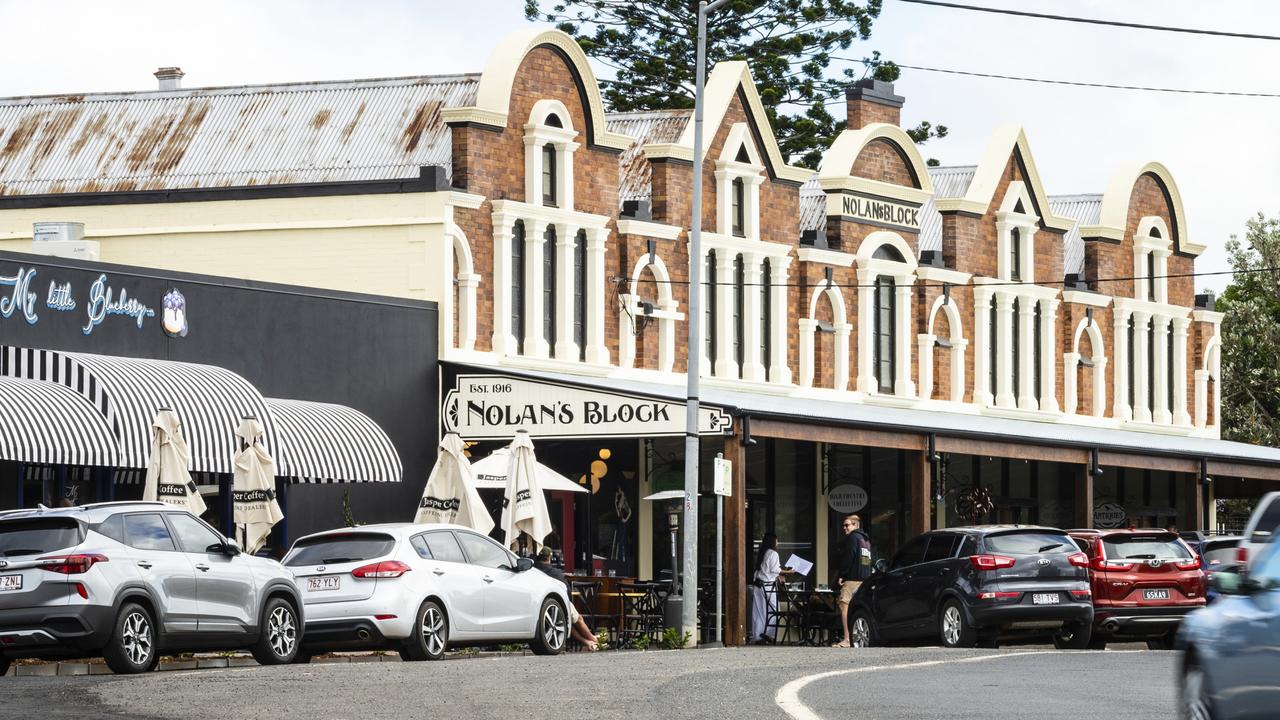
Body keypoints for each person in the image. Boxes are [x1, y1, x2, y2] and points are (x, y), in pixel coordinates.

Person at [534, 547, 599, 651]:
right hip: (557, 603)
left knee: (565, 622)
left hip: (538, 604)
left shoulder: (533, 570)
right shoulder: (555, 573)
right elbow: (567, 592)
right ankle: (593, 639)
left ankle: (588, 642)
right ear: (550, 557)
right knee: (578, 619)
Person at [833, 514, 871, 648]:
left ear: (855, 525)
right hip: (864, 580)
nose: (844, 528)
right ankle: (857, 637)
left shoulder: (853, 538)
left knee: (844, 606)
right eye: (843, 525)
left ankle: (847, 639)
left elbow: (849, 557)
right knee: (858, 608)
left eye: (847, 525)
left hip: (852, 579)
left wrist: (842, 574)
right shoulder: (865, 540)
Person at [750, 533, 794, 644]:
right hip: (768, 587)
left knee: (759, 612)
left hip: (758, 586)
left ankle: (758, 636)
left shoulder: (763, 552)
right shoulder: (773, 553)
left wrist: (780, 573)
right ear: (772, 541)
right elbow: (775, 569)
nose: (778, 543)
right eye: (777, 541)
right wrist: (789, 572)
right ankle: (769, 635)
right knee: (775, 611)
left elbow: (767, 570)